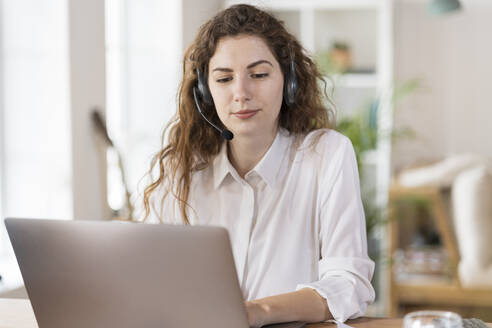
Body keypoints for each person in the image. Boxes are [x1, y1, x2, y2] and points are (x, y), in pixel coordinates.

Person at [142, 4, 375, 327]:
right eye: (224, 79)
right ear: (205, 94)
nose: (241, 93)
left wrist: (256, 312)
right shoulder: (182, 171)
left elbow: (348, 285)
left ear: (289, 82)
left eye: (259, 74)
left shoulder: (326, 155)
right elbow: (143, 277)